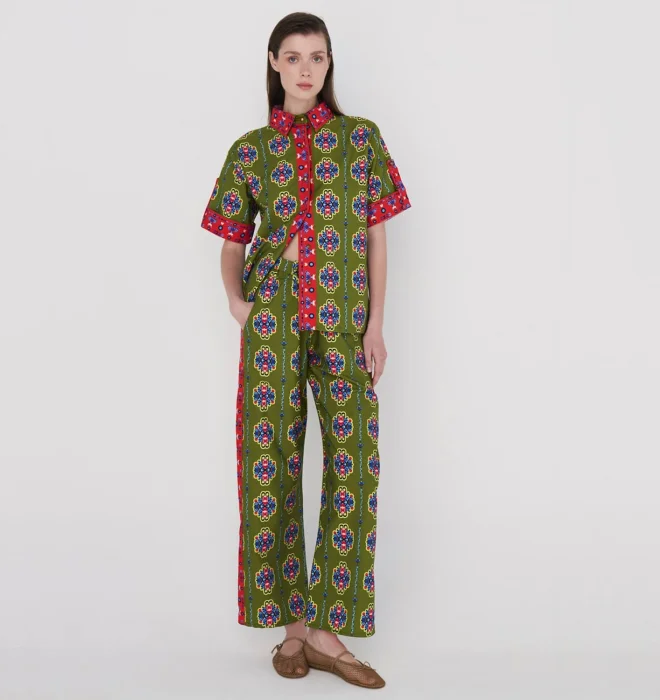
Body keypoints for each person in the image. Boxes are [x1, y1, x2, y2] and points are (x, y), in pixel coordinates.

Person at [200, 11, 411, 690]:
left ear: (328, 64)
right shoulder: (251, 150)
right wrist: (238, 303)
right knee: (271, 464)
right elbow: (231, 242)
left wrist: (376, 325)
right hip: (275, 315)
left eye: (316, 57)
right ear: (274, 63)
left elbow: (376, 237)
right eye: (292, 57)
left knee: (355, 463)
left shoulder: (360, 139)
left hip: (346, 317)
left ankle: (327, 631)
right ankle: (292, 631)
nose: (304, 69)